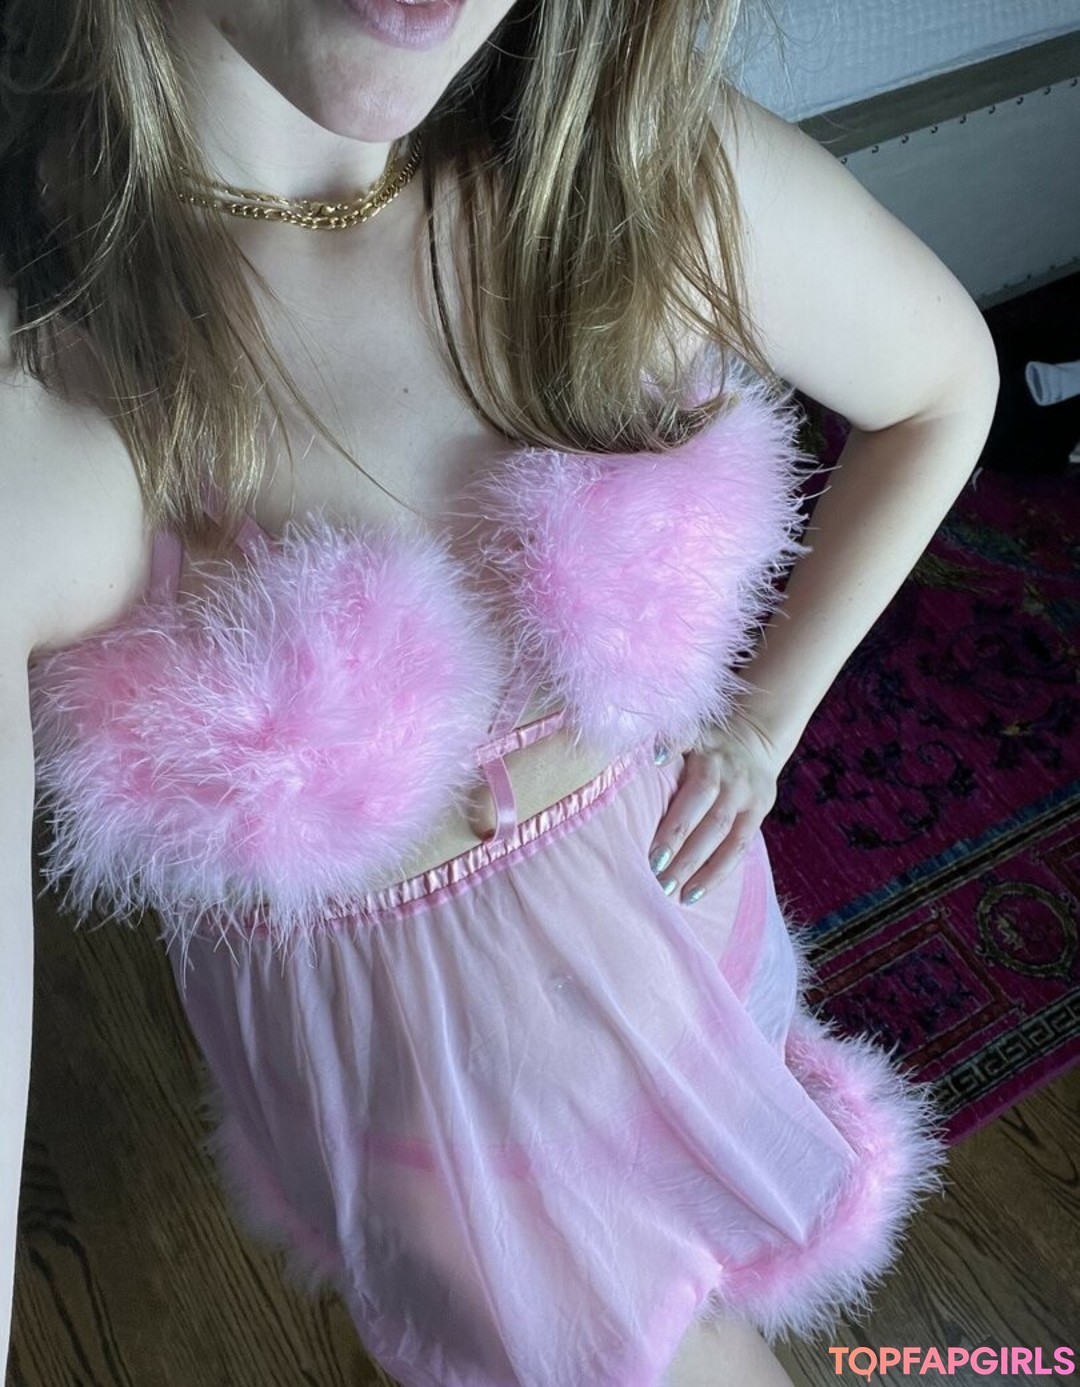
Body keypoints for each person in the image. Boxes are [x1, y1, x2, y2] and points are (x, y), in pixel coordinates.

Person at [0, 1, 1000, 1383]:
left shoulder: (630, 179)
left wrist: (766, 719)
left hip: (685, 958)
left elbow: (940, 390)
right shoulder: (53, 385)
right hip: (441, 1120)